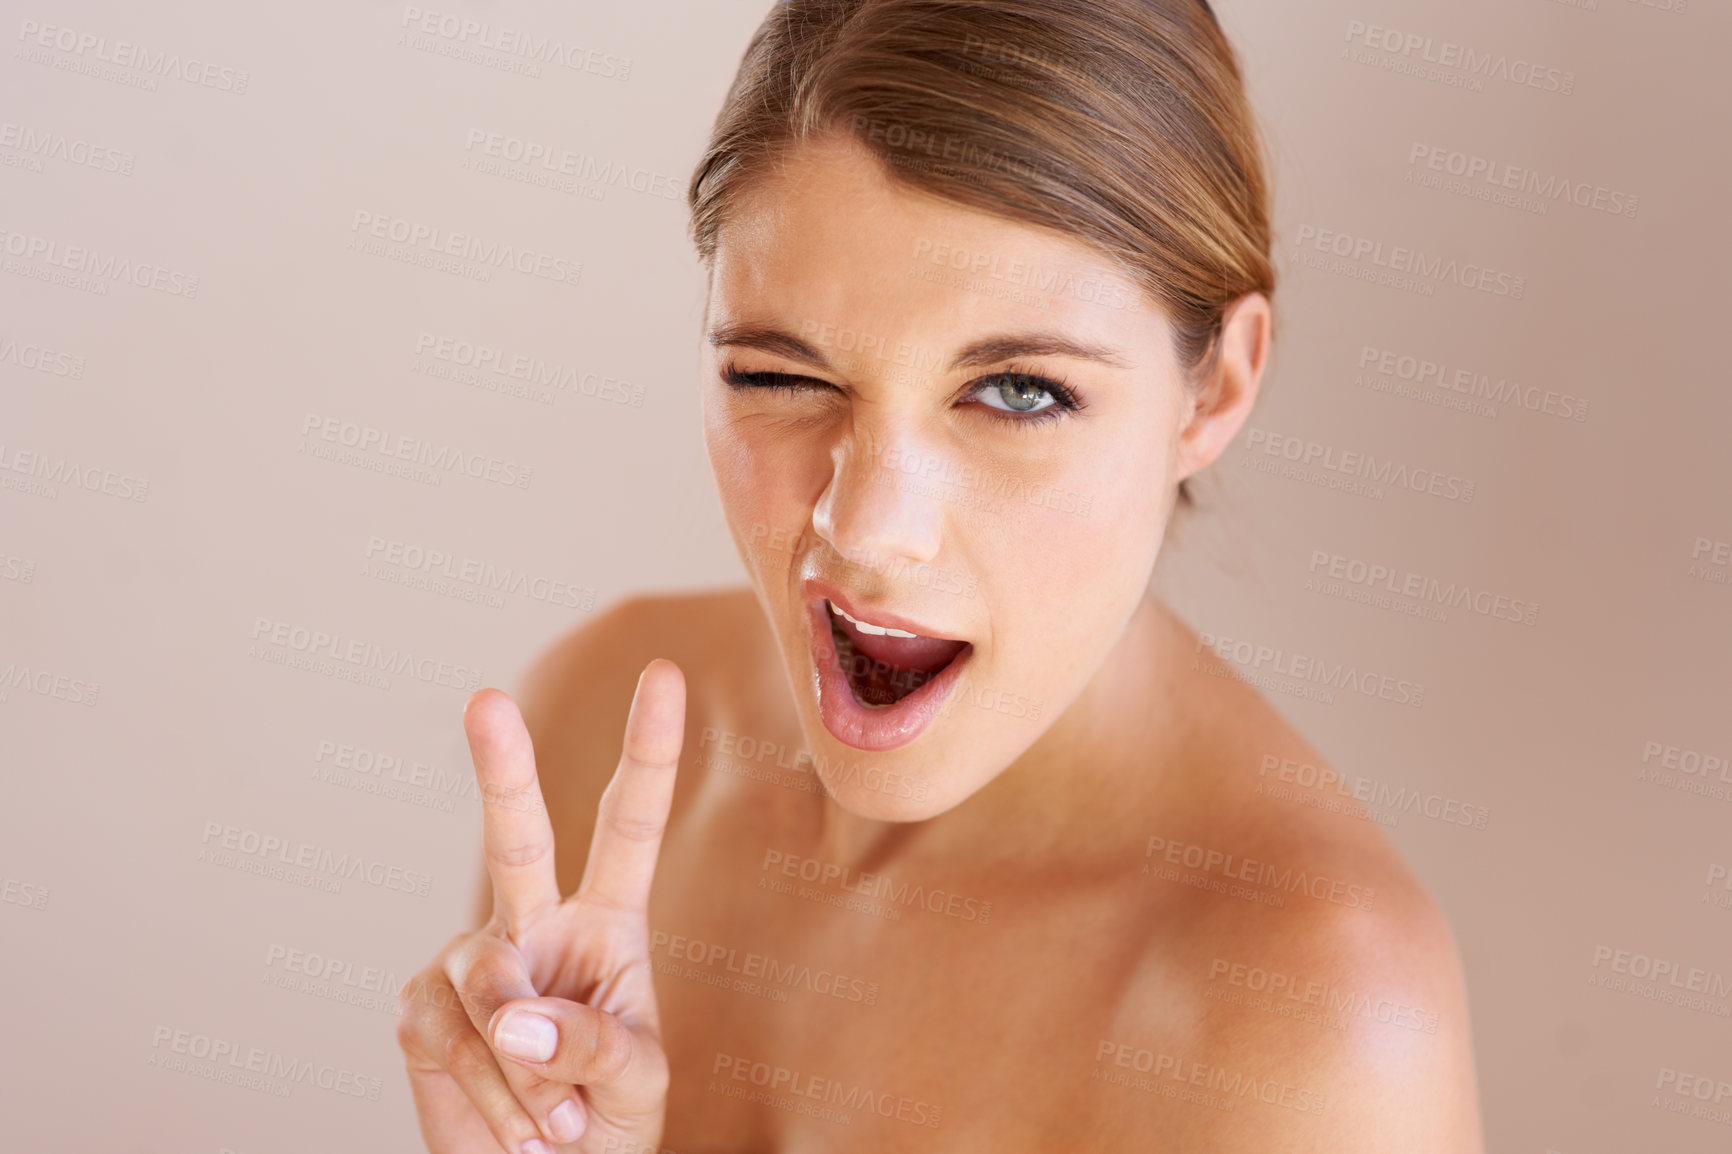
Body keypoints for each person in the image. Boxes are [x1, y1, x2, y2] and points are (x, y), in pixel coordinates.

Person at [396, 1, 1485, 1149]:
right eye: (776, 375)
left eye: (1018, 391)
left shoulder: (1312, 1022)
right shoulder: (593, 733)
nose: (864, 528)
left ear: (1213, 390)